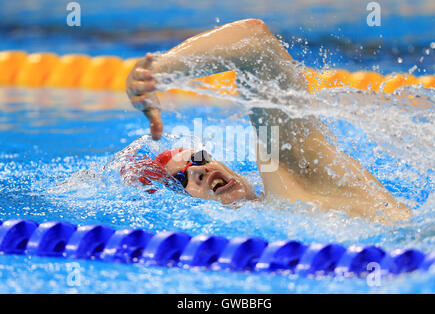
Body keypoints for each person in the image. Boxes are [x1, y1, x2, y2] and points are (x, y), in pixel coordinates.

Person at [125, 19, 411, 223]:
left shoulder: (292, 172)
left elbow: (254, 41)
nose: (199, 171)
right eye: (181, 178)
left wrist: (152, 73)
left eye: (199, 158)